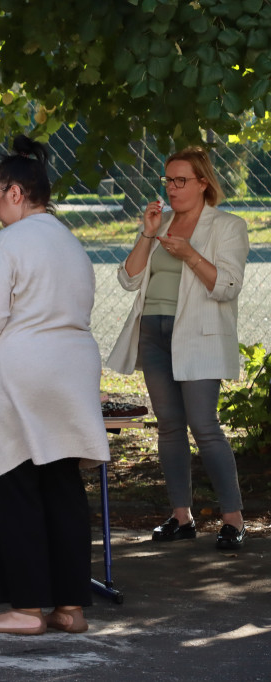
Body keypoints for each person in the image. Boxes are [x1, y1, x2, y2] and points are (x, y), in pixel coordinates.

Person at [0, 136, 110, 635]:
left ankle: (26, 608)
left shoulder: (7, 242)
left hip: (19, 374)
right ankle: (70, 606)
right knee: (61, 484)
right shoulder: (69, 240)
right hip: (71, 370)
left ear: (15, 192)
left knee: (11, 485)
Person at [108, 147, 249, 550]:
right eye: (168, 180)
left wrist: (189, 254)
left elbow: (228, 286)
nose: (171, 188)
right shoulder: (161, 223)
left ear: (204, 183)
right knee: (169, 426)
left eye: (180, 180)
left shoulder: (228, 226)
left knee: (204, 425)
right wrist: (148, 232)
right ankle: (181, 516)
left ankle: (233, 519)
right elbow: (129, 280)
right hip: (153, 331)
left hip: (197, 335)